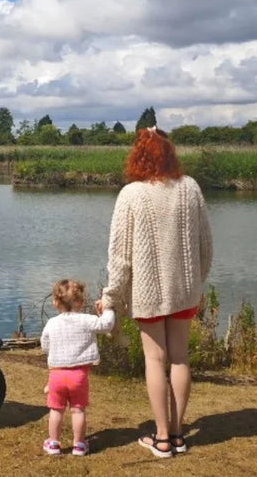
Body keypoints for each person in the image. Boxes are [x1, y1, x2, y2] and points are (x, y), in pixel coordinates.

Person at [97, 127, 213, 458]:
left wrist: (110, 298)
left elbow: (119, 258)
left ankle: (162, 438)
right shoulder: (190, 188)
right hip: (185, 292)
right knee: (180, 357)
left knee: (155, 358)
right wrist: (195, 282)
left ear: (138, 156)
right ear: (170, 154)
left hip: (147, 294)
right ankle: (177, 434)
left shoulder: (131, 194)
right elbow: (206, 247)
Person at [39, 279, 115, 456]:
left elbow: (44, 344)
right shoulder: (86, 320)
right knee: (78, 410)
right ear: (80, 302)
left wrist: (54, 352)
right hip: (79, 375)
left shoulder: (52, 323)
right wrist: (108, 309)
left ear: (55, 302)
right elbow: (106, 325)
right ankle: (79, 445)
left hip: (56, 375)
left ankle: (53, 444)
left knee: (56, 410)